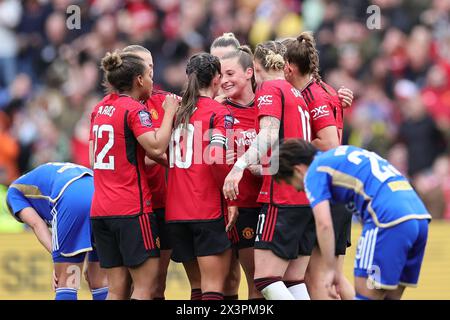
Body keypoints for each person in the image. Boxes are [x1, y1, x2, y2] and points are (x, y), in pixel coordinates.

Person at [275, 139, 431, 300]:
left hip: (387, 220)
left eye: (289, 182)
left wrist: (330, 269)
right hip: (419, 217)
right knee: (389, 297)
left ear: (298, 170)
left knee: (365, 296)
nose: (296, 189)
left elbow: (324, 224)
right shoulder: (342, 155)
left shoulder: (315, 171)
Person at [223, 40, 313, 300]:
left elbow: (269, 134)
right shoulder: (295, 93)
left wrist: (239, 166)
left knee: (264, 278)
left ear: (254, 67)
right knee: (294, 280)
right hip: (305, 195)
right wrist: (260, 168)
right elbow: (292, 147)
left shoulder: (269, 89)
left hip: (282, 197)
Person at [89, 49, 178, 300]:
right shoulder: (134, 109)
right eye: (149, 74)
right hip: (131, 210)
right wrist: (169, 111)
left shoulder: (99, 108)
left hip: (101, 211)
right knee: (145, 287)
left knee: (116, 290)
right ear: (139, 80)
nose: (152, 79)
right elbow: (157, 146)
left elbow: (93, 157)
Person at [283, 32, 354, 299]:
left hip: (332, 192)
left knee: (318, 279)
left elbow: (330, 143)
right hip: (338, 190)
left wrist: (293, 142)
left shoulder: (314, 95)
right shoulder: (323, 90)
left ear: (289, 67)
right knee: (330, 278)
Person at [166, 52, 236, 300]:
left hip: (175, 212)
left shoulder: (174, 112)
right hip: (205, 209)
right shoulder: (219, 113)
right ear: (217, 79)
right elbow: (217, 157)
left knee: (196, 288)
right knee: (214, 288)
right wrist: (231, 200)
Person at [6, 162, 108, 300]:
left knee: (67, 281)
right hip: (102, 193)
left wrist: (58, 257)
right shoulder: (47, 174)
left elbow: (37, 224)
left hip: (71, 196)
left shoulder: (13, 193)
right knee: (99, 281)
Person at [122, 44, 174, 301]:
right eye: (146, 66)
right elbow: (149, 152)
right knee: (128, 284)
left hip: (162, 202)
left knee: (157, 283)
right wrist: (160, 156)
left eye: (153, 65)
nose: (152, 71)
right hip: (132, 205)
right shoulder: (121, 108)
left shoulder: (164, 101)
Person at [219, 46, 264, 300]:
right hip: (241, 206)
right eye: (221, 76)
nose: (224, 81)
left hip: (271, 204)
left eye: (230, 74)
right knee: (255, 281)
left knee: (272, 281)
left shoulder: (269, 105)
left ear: (249, 73)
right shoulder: (221, 110)